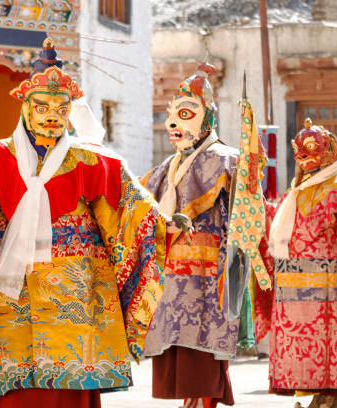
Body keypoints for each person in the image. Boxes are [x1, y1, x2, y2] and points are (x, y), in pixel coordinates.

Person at [0, 38, 183, 408]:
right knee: (17, 379)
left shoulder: (93, 160)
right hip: (13, 290)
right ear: (25, 108)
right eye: (42, 106)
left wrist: (164, 224)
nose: (51, 116)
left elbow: (131, 208)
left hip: (76, 288)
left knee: (70, 379)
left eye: (61, 108)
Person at [140, 63, 237, 408]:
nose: (172, 124)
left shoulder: (226, 161)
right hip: (172, 272)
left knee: (203, 344)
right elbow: (142, 207)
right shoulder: (164, 168)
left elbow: (246, 214)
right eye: (170, 116)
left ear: (207, 117)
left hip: (208, 272)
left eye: (184, 114)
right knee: (177, 346)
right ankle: (190, 401)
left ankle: (202, 400)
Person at [267, 119, 337, 408]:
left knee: (333, 348)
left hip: (332, 289)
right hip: (294, 293)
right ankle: (315, 397)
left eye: (309, 147)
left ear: (328, 149)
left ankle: (334, 400)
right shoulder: (296, 191)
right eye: (298, 149)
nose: (301, 155)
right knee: (303, 353)